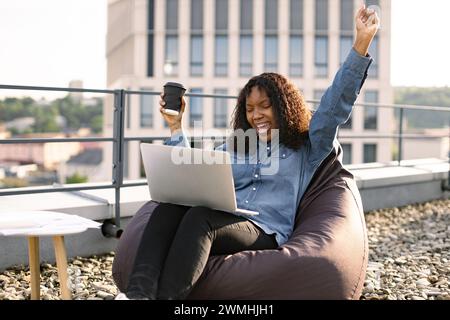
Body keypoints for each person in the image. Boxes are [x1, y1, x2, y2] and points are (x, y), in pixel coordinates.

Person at [115, 5, 380, 300]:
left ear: (284, 106)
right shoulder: (237, 144)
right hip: (223, 218)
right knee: (169, 209)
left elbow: (335, 104)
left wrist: (361, 43)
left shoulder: (307, 145)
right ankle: (137, 295)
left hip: (265, 229)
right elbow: (191, 172)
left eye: (265, 106)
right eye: (250, 108)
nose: (257, 115)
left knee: (200, 219)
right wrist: (176, 127)